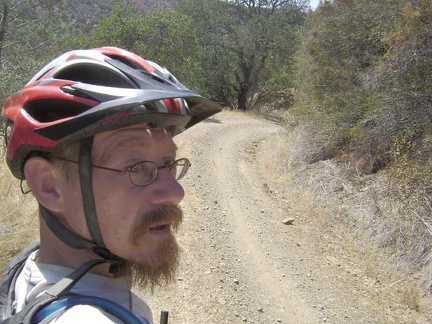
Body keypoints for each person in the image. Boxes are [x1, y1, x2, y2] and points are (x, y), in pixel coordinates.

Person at [1, 47, 220, 323]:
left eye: (168, 162)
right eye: (136, 168)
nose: (176, 193)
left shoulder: (31, 267)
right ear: (49, 186)